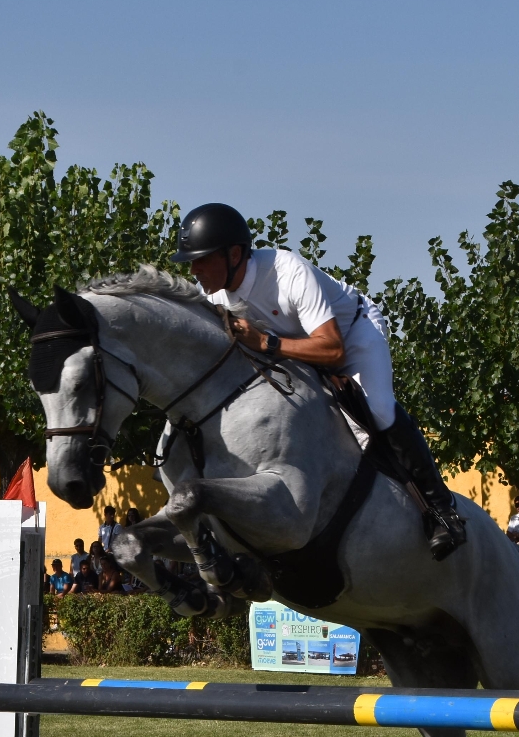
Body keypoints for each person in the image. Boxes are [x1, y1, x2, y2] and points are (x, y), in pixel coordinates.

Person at [174, 203, 466, 559]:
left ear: (234, 255)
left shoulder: (287, 272)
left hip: (353, 334)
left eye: (202, 260)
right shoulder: (215, 296)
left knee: (377, 409)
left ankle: (442, 510)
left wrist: (266, 342)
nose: (194, 270)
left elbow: (333, 350)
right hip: (295, 349)